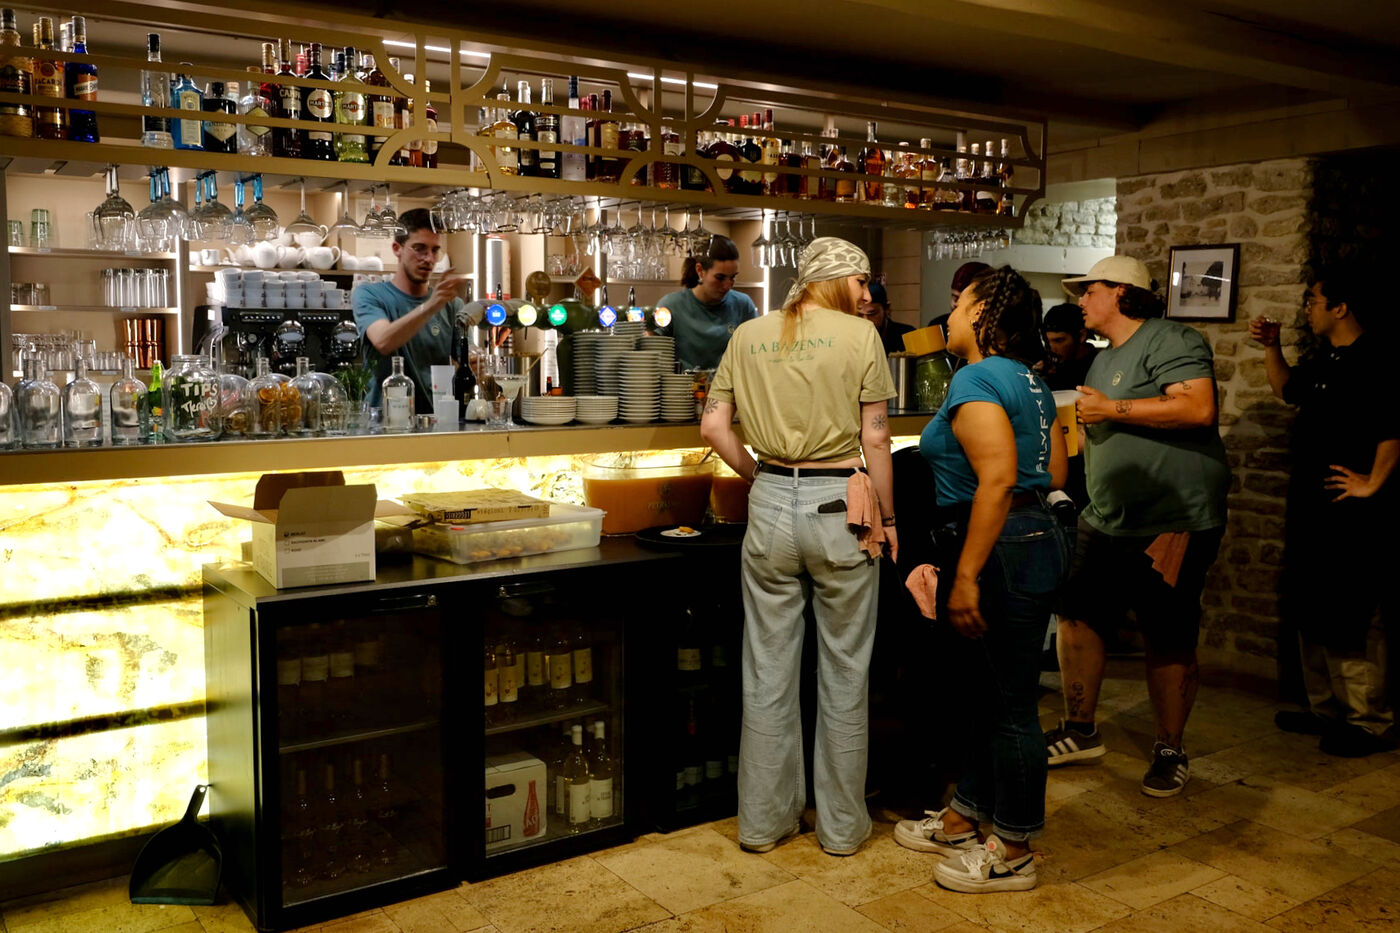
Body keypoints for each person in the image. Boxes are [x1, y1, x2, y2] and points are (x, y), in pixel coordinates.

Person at [700, 237, 897, 858]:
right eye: (861, 282)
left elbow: (713, 425)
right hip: (840, 507)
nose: (867, 295)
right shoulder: (861, 336)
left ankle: (762, 824)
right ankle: (840, 829)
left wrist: (758, 478)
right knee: (844, 671)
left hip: (770, 505)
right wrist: (889, 517)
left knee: (766, 671)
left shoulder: (747, 334)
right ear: (833, 279)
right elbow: (876, 438)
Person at [893, 266, 1069, 893]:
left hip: (998, 543)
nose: (948, 316)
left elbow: (997, 478)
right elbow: (1054, 471)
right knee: (991, 694)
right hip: (1031, 534)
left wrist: (965, 575)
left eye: (959, 303)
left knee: (1012, 706)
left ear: (982, 313)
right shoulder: (1031, 380)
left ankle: (1014, 848)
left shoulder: (976, 377)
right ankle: (966, 814)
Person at [1042, 255, 1229, 798]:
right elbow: (1099, 427)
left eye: (1089, 290)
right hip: (1106, 516)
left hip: (1170, 520)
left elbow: (1197, 408)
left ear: (1121, 292)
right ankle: (1080, 729)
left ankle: (1170, 748)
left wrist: (1114, 409)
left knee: (1167, 635)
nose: (1080, 300)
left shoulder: (1171, 339)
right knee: (1076, 613)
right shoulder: (1103, 359)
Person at [1252, 271, 1397, 757]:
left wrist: (1371, 482)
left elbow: (1392, 428)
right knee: (1309, 600)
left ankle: (1369, 721)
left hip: (1350, 511)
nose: (1306, 309)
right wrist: (1271, 347)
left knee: (1348, 608)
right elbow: (1286, 389)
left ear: (1341, 307)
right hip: (1311, 504)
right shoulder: (1324, 359)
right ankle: (1325, 710)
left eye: (1312, 300)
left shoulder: (1377, 360)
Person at [352, 208, 470, 408]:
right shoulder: (370, 295)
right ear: (397, 248)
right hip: (382, 422)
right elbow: (383, 340)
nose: (429, 259)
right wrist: (430, 306)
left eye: (434, 251)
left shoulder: (451, 304)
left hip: (436, 420)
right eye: (419, 248)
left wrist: (474, 362)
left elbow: (465, 359)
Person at [656, 234, 759, 371]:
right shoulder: (671, 306)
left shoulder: (743, 305)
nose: (727, 285)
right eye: (720, 278)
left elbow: (755, 354)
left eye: (732, 277)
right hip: (684, 384)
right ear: (700, 271)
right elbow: (655, 355)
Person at [1040, 302, 1098, 391]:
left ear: (1081, 336)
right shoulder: (1052, 367)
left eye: (1058, 341)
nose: (1052, 348)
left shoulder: (1099, 368)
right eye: (1047, 341)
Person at [927, 260, 991, 333]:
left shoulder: (989, 331)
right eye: (954, 298)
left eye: (962, 299)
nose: (956, 304)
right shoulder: (937, 327)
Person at [858, 281, 914, 354]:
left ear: (887, 308)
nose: (866, 320)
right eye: (859, 315)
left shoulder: (908, 336)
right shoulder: (851, 339)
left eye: (871, 314)